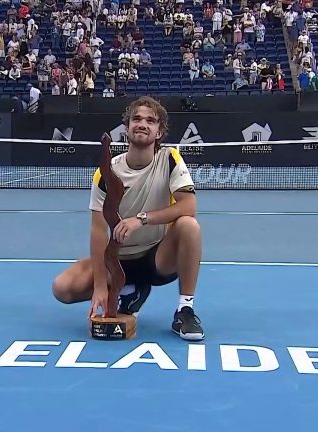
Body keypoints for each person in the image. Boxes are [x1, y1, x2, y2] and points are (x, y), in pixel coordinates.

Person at [51, 96, 204, 341]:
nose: (142, 124)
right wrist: (100, 286)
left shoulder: (169, 158)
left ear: (159, 132)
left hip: (157, 259)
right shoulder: (107, 173)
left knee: (189, 225)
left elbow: (189, 205)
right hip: (117, 261)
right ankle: (131, 290)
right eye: (137, 119)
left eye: (150, 121)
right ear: (127, 127)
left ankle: (185, 310)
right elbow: (98, 230)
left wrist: (141, 219)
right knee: (62, 288)